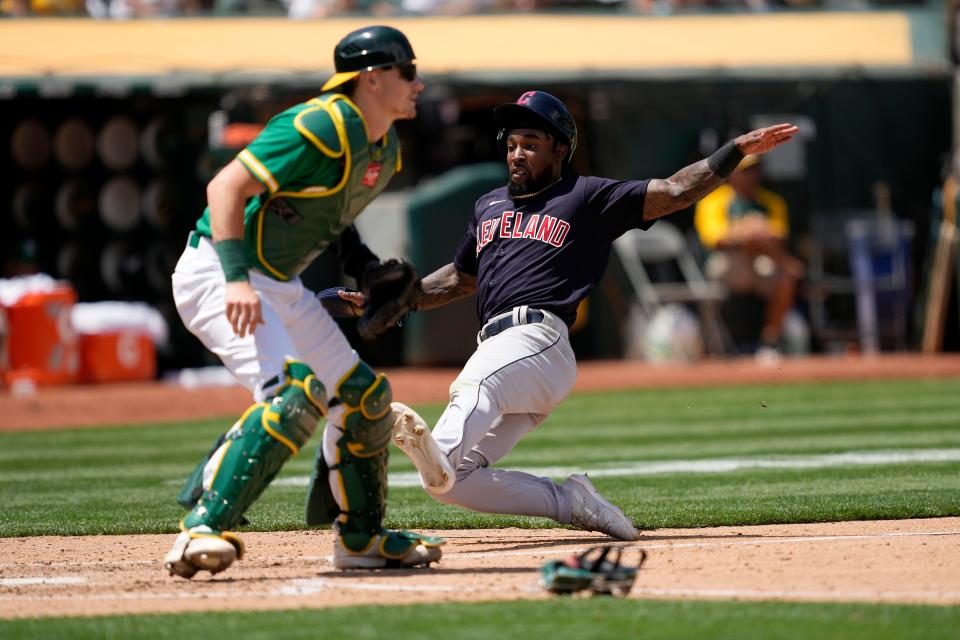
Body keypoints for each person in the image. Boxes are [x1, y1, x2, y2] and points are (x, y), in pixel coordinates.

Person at [364, 91, 798, 540]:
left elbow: (674, 192)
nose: (517, 153)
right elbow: (460, 277)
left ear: (559, 148)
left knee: (474, 389)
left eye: (530, 143)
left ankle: (435, 446)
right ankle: (569, 502)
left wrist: (735, 152)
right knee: (452, 483)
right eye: (512, 143)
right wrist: (401, 298)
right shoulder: (488, 206)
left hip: (538, 341)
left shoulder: (586, 196)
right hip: (502, 352)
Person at [163, 25, 445, 579]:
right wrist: (237, 279)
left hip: (277, 281)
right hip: (219, 272)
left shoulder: (383, 148)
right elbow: (225, 189)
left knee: (366, 397)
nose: (419, 82)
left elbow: (332, 220)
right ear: (372, 77)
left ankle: (360, 539)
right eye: (408, 71)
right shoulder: (317, 124)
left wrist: (365, 268)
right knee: (297, 393)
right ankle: (201, 529)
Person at [694, 153, 805, 356]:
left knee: (785, 278)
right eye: (746, 171)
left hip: (761, 261)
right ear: (732, 174)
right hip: (727, 264)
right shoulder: (715, 200)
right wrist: (749, 231)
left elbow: (779, 236)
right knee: (784, 265)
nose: (752, 175)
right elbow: (716, 240)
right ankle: (708, 350)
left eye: (755, 170)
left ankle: (769, 343)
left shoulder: (771, 201)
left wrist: (750, 233)